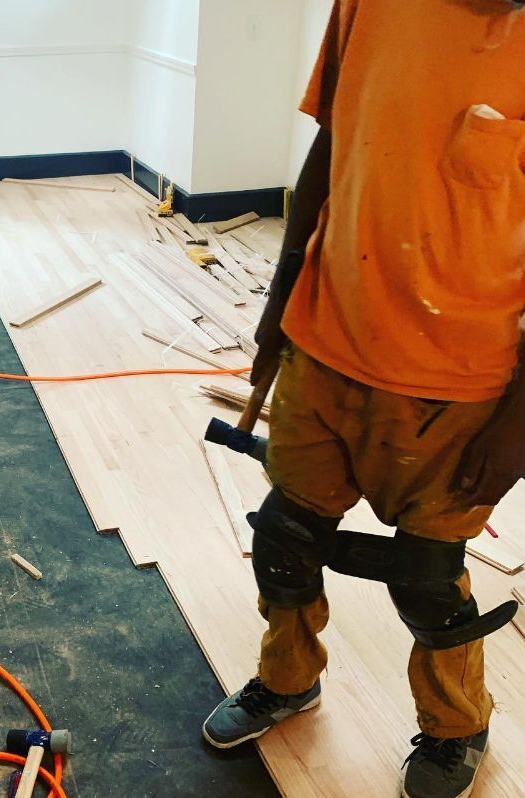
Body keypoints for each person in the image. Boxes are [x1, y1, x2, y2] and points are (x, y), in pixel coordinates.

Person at [201, 2, 525, 796]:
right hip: (327, 338)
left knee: (427, 577)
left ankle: (456, 726)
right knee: (285, 536)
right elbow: (333, 141)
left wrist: (518, 428)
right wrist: (279, 303)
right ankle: (286, 679)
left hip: (460, 384)